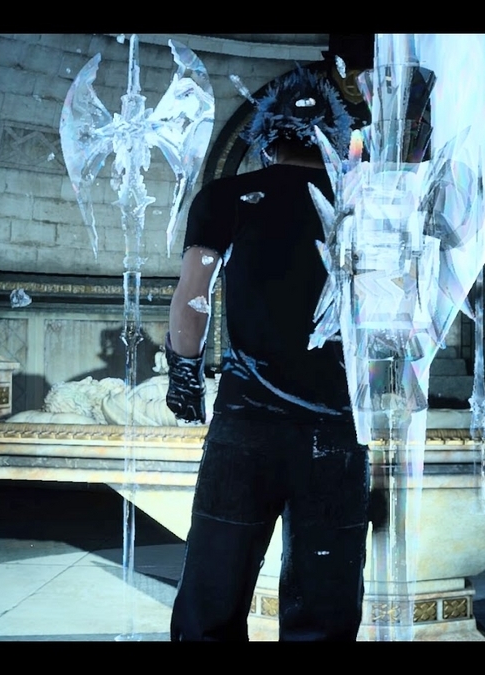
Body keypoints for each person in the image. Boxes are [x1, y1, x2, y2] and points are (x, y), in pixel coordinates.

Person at [163, 66, 369, 641]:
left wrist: (185, 375)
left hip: (246, 425)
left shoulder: (226, 198)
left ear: (264, 137)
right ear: (333, 135)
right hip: (338, 430)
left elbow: (193, 297)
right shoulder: (363, 204)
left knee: (212, 602)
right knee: (324, 614)